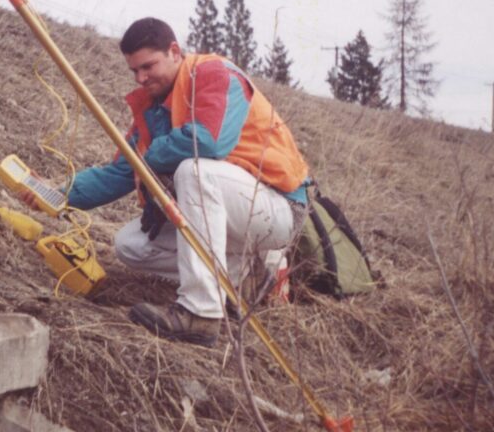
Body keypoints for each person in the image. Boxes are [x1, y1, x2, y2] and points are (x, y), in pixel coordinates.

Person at [59, 17, 310, 346]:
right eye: (134, 71)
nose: (141, 77)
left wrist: (148, 159)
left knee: (193, 170)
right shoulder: (154, 105)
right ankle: (246, 277)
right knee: (130, 245)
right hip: (232, 211)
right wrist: (57, 196)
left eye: (148, 66)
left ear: (174, 51)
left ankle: (201, 313)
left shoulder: (215, 74)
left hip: (277, 209)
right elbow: (121, 170)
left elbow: (207, 142)